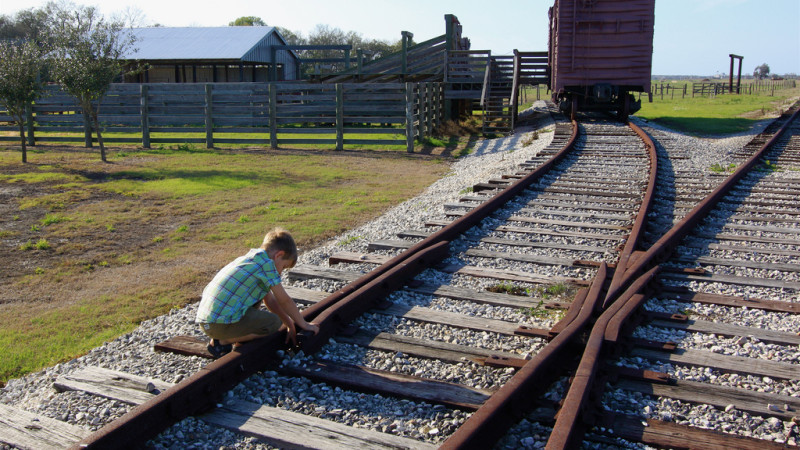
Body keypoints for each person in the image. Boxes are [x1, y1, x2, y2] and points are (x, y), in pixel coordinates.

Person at [196, 228, 319, 358]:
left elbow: (270, 301)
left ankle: (232, 337)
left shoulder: (251, 258)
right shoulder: (267, 265)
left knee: (258, 296)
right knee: (273, 323)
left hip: (207, 322)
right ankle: (222, 341)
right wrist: (304, 324)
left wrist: (289, 323)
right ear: (278, 255)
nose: (281, 272)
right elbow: (284, 301)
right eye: (283, 266)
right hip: (218, 325)